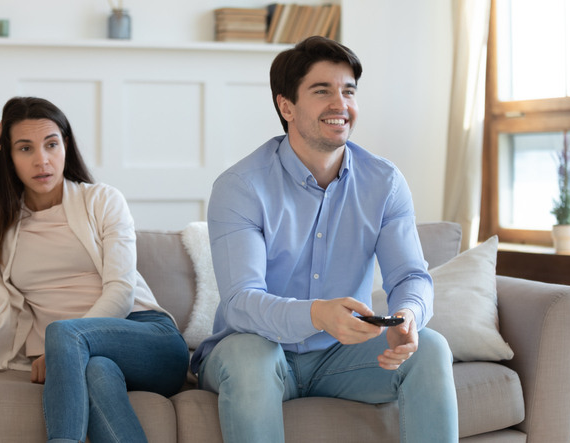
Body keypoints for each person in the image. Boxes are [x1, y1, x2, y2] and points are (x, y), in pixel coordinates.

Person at [190, 36, 458, 442]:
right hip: (256, 350)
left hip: (340, 358)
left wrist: (409, 316)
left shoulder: (384, 183)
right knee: (250, 356)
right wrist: (316, 314)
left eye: (348, 91)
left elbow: (410, 277)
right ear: (287, 106)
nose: (341, 104)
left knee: (432, 349)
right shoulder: (240, 187)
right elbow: (242, 303)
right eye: (322, 91)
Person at [0, 97, 189, 443]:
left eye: (51, 144)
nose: (41, 160)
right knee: (97, 372)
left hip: (148, 338)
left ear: (66, 147)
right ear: (8, 158)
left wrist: (64, 348)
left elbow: (121, 292)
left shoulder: (102, 200)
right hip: (87, 358)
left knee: (63, 334)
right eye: (25, 148)